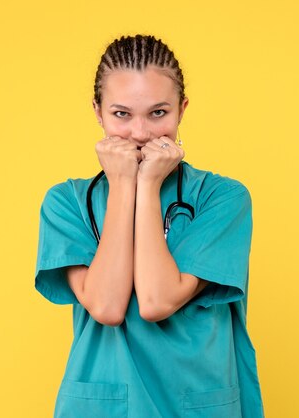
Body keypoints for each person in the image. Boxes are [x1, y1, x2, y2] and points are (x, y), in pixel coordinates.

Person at [34, 34, 265, 418]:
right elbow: (107, 306)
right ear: (98, 111)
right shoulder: (67, 203)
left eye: (158, 113)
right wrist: (125, 183)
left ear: (182, 108)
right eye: (121, 114)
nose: (140, 133)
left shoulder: (222, 198)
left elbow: (157, 301)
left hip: (196, 404)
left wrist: (149, 184)